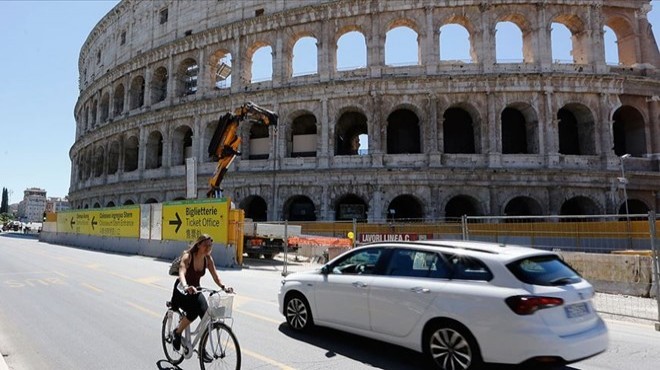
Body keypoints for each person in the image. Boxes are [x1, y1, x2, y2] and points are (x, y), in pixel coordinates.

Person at [171, 233, 233, 351]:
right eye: (206, 245)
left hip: (195, 290)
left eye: (210, 246)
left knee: (207, 316)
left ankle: (202, 348)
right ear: (199, 245)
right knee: (193, 312)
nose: (208, 248)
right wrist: (186, 286)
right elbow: (182, 273)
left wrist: (224, 287)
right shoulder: (188, 256)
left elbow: (216, 276)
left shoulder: (208, 259)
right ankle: (177, 332)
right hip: (181, 290)